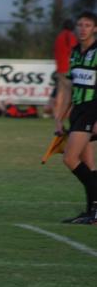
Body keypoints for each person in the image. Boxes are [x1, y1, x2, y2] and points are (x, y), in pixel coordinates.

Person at [55, 11, 97, 224]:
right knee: (89, 166)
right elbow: (70, 88)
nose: (82, 28)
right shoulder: (75, 52)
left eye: (88, 25)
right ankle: (92, 212)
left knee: (70, 158)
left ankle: (96, 210)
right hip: (78, 111)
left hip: (93, 110)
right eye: (80, 24)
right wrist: (60, 117)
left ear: (95, 28)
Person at [51, 19, 78, 117]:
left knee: (60, 93)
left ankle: (57, 115)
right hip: (67, 67)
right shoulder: (69, 35)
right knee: (68, 93)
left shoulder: (59, 36)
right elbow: (74, 50)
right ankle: (66, 114)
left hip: (59, 67)